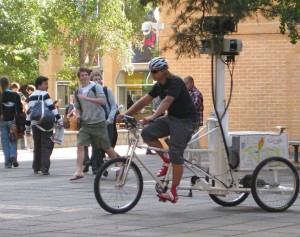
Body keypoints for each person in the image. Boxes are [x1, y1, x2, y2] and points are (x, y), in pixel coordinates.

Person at [118, 57, 197, 203]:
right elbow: (144, 101)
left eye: (154, 71)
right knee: (147, 133)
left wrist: (153, 116)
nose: (152, 74)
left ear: (163, 71)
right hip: (172, 119)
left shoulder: (176, 82)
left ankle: (173, 192)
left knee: (176, 153)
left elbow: (167, 101)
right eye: (151, 71)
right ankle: (166, 161)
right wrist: (125, 114)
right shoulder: (158, 85)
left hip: (186, 121)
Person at [70, 68, 120, 181]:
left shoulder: (95, 87)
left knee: (106, 148)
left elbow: (102, 101)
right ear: (79, 78)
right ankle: (79, 171)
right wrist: (77, 115)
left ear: (89, 76)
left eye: (86, 75)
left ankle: (118, 163)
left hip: (99, 123)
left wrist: (87, 98)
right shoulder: (78, 91)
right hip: (86, 123)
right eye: (82, 75)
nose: (84, 77)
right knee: (80, 146)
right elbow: (77, 107)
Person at [83, 71, 118, 174]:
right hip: (95, 122)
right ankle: (98, 168)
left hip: (107, 122)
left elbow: (113, 106)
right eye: (95, 79)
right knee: (96, 146)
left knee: (108, 145)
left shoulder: (107, 91)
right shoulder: (89, 93)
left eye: (99, 79)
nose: (98, 81)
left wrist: (110, 119)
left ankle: (113, 164)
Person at [26, 76, 63, 175]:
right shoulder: (45, 94)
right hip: (46, 124)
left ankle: (36, 167)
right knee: (47, 146)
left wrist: (27, 128)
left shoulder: (30, 97)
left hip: (35, 124)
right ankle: (44, 168)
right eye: (45, 84)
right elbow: (52, 108)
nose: (47, 86)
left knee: (37, 146)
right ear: (39, 85)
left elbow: (29, 113)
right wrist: (59, 120)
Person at [0, 76, 23, 168]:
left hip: (2, 121)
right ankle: (13, 155)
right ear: (8, 83)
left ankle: (7, 162)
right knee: (13, 138)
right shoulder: (15, 95)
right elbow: (20, 109)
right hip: (13, 121)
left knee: (5, 141)